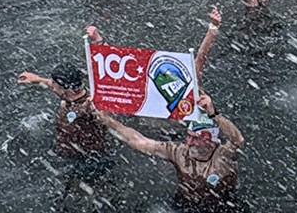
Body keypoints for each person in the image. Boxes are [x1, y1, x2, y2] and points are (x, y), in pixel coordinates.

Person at [95, 87, 243, 211]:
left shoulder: (223, 155)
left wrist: (213, 113)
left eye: (196, 138)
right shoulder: (180, 152)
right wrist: (110, 122)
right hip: (186, 204)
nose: (189, 142)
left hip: (222, 205)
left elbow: (238, 140)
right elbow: (139, 141)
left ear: (210, 140)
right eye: (188, 136)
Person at [16, 29, 113, 184]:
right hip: (69, 153)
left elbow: (109, 76)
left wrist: (99, 42)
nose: (51, 86)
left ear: (64, 88)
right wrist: (36, 79)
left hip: (89, 160)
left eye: (54, 84)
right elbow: (51, 84)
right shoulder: (69, 94)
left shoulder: (90, 105)